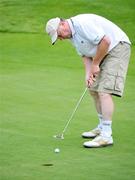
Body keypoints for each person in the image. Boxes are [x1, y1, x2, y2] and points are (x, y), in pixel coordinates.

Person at [45, 14, 131, 148]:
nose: (60, 39)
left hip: (117, 47)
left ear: (61, 24)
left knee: (104, 91)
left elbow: (106, 41)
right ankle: (102, 126)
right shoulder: (72, 36)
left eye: (59, 35)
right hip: (101, 53)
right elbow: (85, 54)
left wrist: (95, 64)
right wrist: (88, 73)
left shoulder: (82, 24)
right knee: (93, 89)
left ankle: (106, 136)